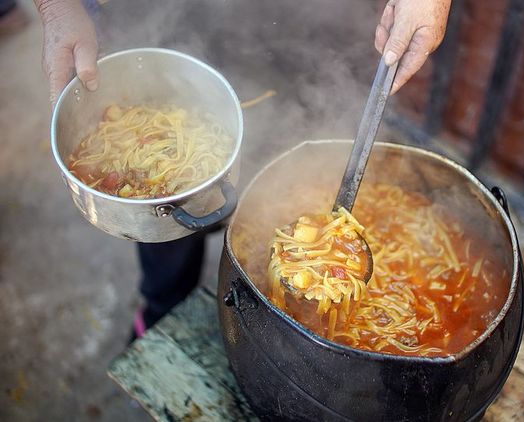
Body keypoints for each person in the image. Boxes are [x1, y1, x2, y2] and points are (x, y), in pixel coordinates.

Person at [34, 0, 451, 337]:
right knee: (163, 211)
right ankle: (163, 308)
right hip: (179, 22)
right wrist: (57, 5)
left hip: (314, 28)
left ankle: (274, 318)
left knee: (289, 182)